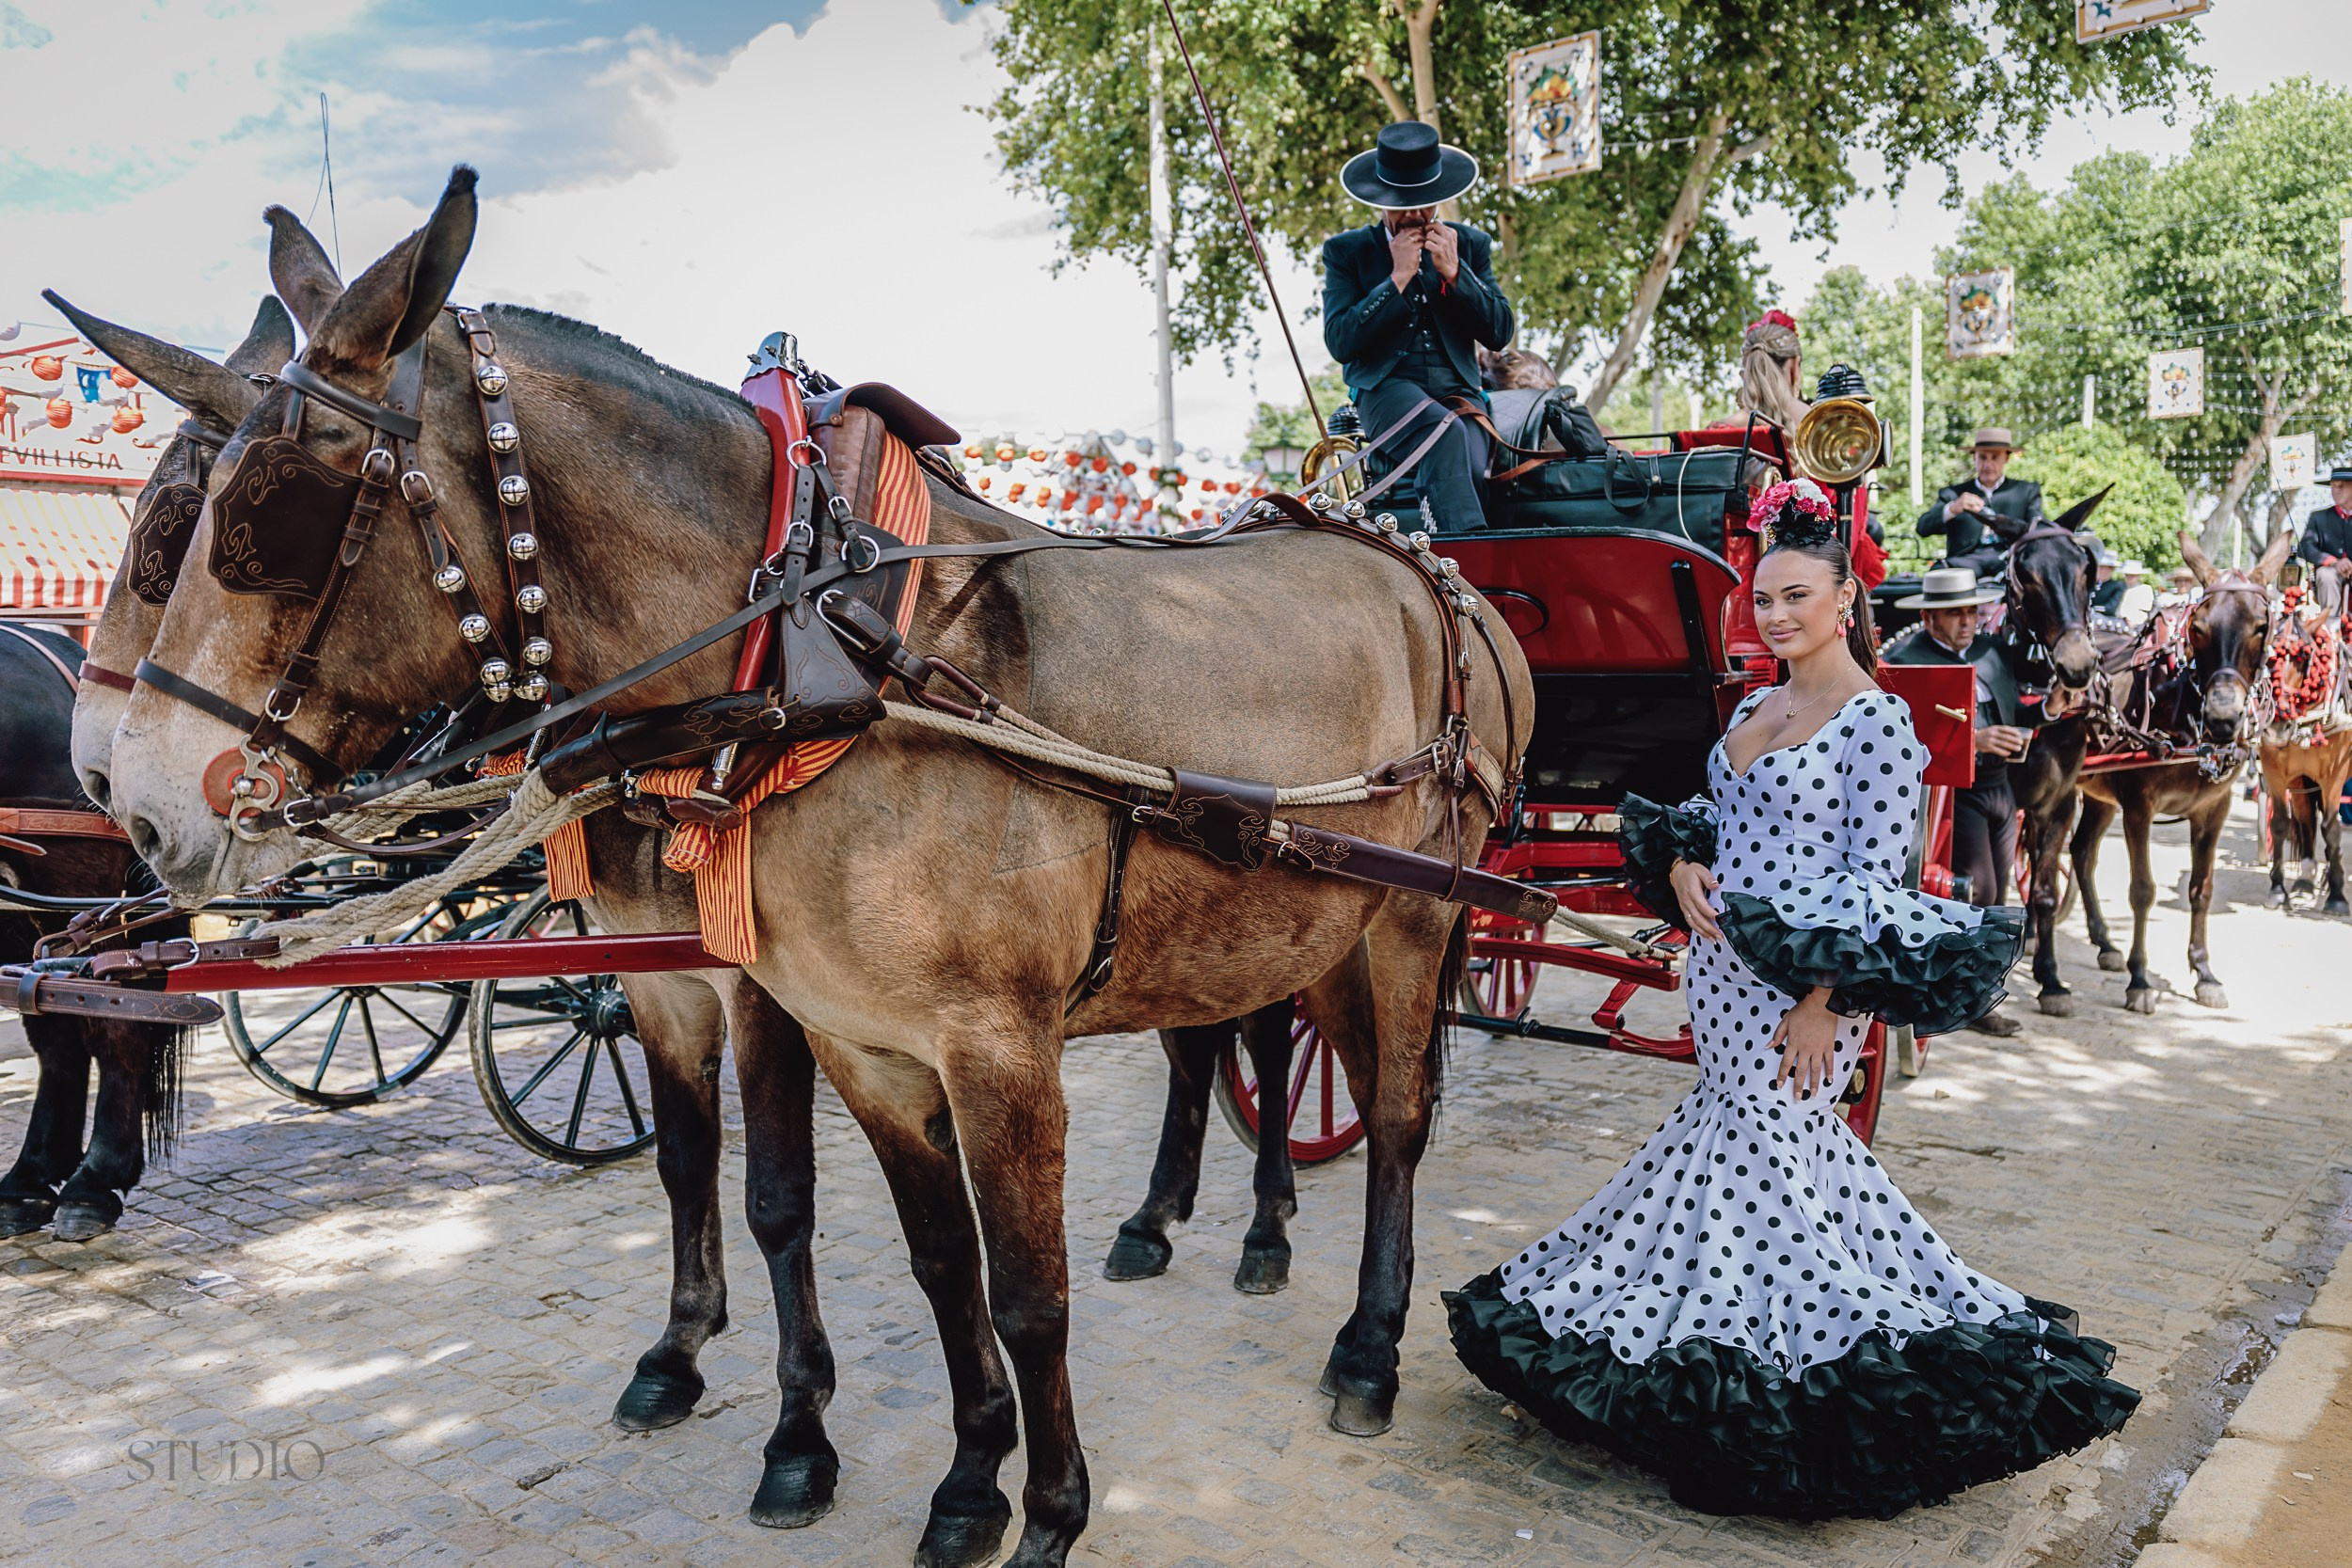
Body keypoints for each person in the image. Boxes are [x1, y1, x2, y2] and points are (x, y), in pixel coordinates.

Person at [1446, 478, 2136, 1521]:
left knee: (1767, 1155)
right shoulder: (1754, 706)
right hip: (1722, 976)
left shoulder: (1877, 724)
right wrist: (1683, 861)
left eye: (1796, 596)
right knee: (1757, 1161)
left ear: (1845, 597)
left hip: (1804, 988)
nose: (1774, 615)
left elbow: (1878, 887)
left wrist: (1826, 1001)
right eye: (1762, 598)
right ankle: (1716, 1353)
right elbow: (1714, 815)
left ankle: (1779, 1390)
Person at [1322, 120, 1514, 533]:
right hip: (1386, 390)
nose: (1413, 216)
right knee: (1442, 437)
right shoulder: (1347, 252)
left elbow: (1500, 332)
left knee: (1473, 464)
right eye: (1401, 206)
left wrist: (1457, 274)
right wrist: (1397, 280)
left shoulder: (1471, 245)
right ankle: (1466, 559)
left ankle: (1446, 554)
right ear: (1380, 201)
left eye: (1423, 204)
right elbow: (1340, 341)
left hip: (1460, 392)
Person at [1883, 568, 2028, 1038]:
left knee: (1999, 896)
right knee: (1979, 893)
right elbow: (1902, 737)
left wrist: (2049, 709)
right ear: (1929, 617)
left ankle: (1981, 991)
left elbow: (2015, 708)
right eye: (1954, 614)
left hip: (2000, 787)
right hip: (1953, 794)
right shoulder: (1905, 661)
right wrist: (1975, 740)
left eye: (1971, 611)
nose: (1967, 622)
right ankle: (1968, 1001)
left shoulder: (1991, 651)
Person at [1917, 428, 2045, 579]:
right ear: (1974, 458)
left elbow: (2038, 530)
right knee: (1939, 575)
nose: (1988, 464)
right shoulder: (1953, 493)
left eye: (1995, 457)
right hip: (1966, 561)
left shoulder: (2025, 491)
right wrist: (1953, 508)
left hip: (2010, 558)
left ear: (2006, 458)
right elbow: (1923, 528)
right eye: (1983, 458)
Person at [2296, 465, 2352, 612]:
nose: (2336, 490)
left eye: (2341, 486)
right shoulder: (2318, 517)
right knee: (2326, 574)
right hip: (2332, 573)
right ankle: (2331, 623)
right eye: (2333, 486)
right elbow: (2305, 547)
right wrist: (2333, 562)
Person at [2115, 560, 2155, 626]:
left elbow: (2146, 610)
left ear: (2138, 576)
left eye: (2132, 575)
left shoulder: (2145, 589)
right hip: (2118, 622)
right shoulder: (2120, 588)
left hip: (2137, 624)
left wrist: (2135, 621)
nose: (2129, 577)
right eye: (2127, 575)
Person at [2090, 546, 2124, 616]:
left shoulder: (2117, 586)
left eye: (2103, 567)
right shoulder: (2091, 584)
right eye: (2099, 567)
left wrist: (2094, 609)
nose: (2099, 570)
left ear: (2111, 569)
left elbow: (2111, 607)